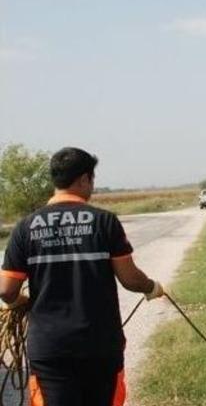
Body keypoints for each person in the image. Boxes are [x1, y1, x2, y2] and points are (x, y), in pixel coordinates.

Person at [0, 147, 165, 406]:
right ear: (84, 179)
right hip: (99, 346)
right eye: (92, 180)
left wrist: (19, 302)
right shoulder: (104, 222)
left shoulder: (25, 227)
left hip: (50, 350)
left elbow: (7, 291)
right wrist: (152, 287)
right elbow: (130, 279)